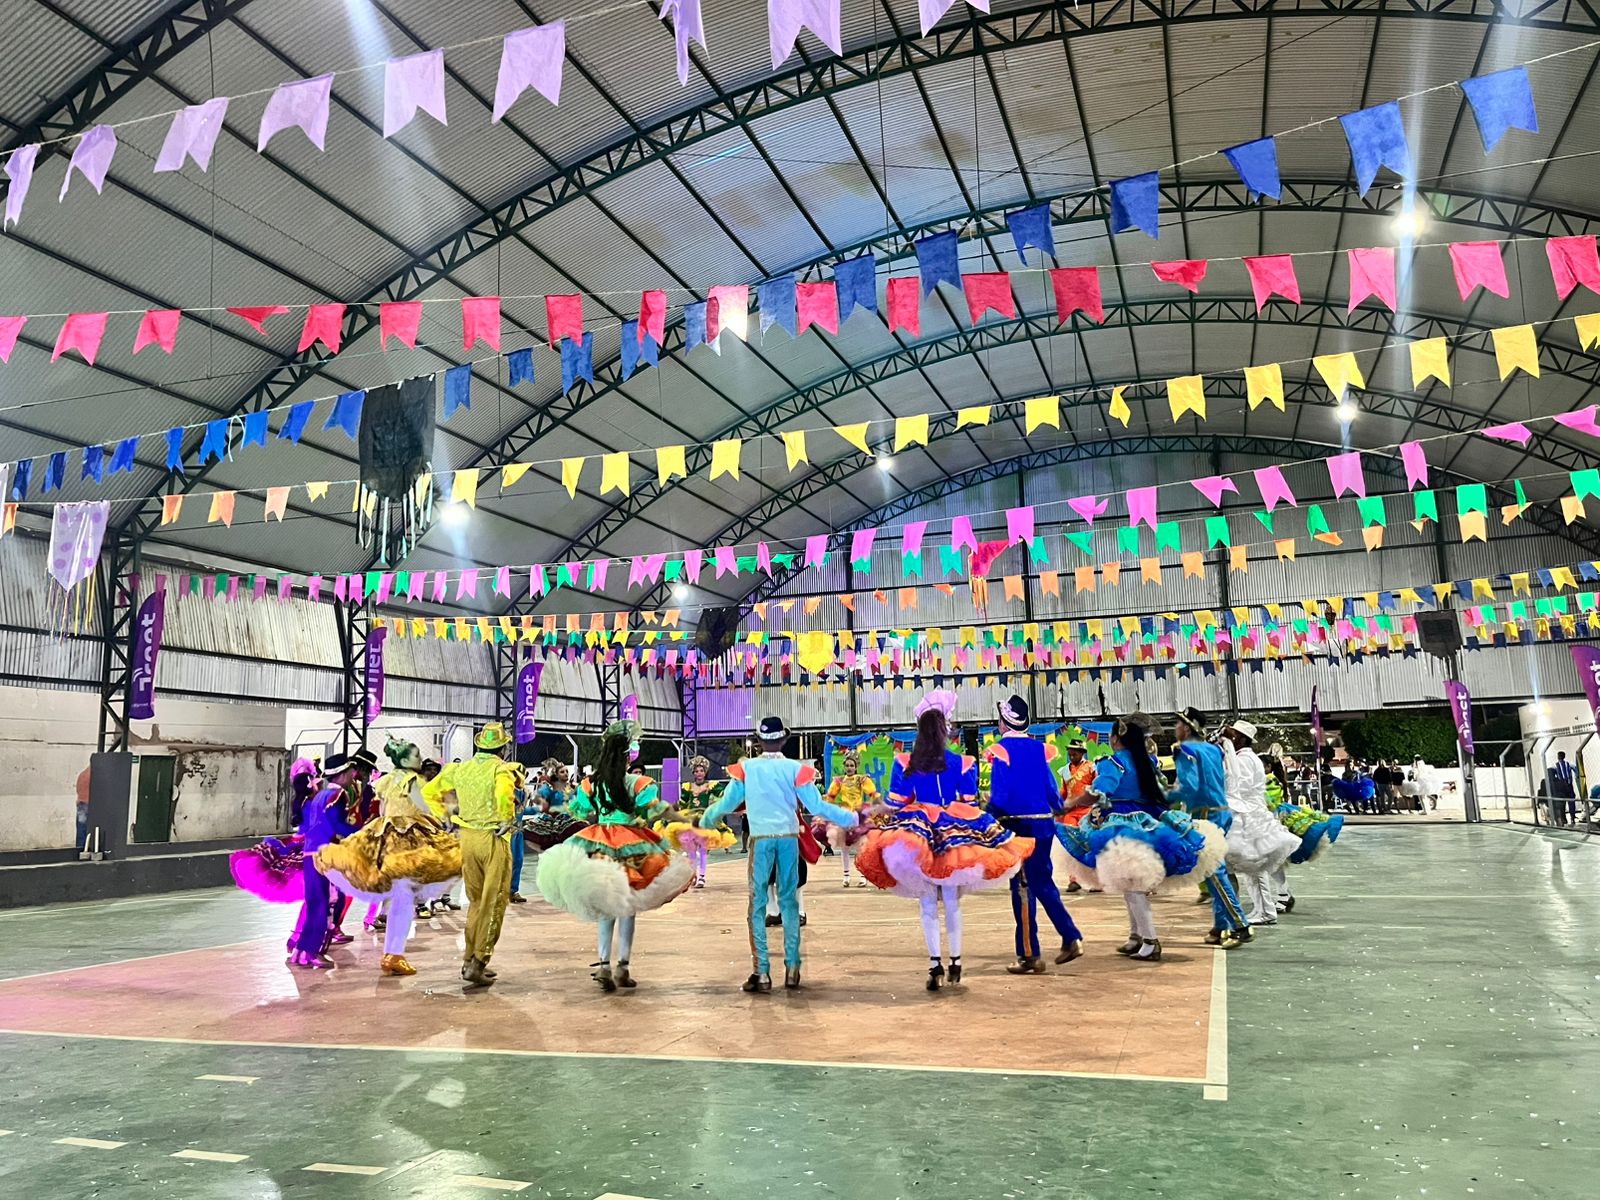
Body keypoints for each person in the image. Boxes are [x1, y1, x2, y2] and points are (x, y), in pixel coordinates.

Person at [855, 690, 1032, 991]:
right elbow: (969, 801)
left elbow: (895, 803)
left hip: (918, 834)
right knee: (951, 900)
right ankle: (956, 962)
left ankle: (935, 964)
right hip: (953, 831)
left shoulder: (906, 762)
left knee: (927, 901)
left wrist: (870, 812)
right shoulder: (963, 763)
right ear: (944, 730)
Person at [700, 717, 856, 993]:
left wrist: (705, 820)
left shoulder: (747, 769)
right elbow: (816, 805)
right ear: (784, 740)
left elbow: (727, 803)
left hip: (761, 841)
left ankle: (761, 973)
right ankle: (793, 967)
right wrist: (850, 818)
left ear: (759, 741)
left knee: (757, 905)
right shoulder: (795, 769)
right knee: (789, 902)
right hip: (788, 840)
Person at [536, 719, 693, 992]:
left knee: (605, 904)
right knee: (628, 906)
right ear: (626, 756)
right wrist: (682, 818)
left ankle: (603, 965)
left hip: (599, 840)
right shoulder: (636, 782)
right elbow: (654, 810)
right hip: (632, 843)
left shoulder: (592, 784)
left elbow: (579, 810)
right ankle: (623, 967)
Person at [1055, 713, 1225, 963]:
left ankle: (1150, 941)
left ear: (1116, 738)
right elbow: (1162, 792)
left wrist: (1070, 803)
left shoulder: (1113, 762)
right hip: (1151, 822)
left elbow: (1099, 792)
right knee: (1130, 883)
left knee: (1133, 886)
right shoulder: (1148, 761)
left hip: (1122, 825)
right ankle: (1136, 936)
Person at [315, 739, 461, 977]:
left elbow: (382, 810)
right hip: (408, 840)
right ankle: (393, 954)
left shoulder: (386, 781)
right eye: (416, 756)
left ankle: (392, 953)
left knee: (399, 896)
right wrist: (445, 819)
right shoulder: (412, 780)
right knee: (404, 898)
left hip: (385, 835)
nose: (419, 759)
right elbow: (425, 807)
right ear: (404, 760)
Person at [985, 695, 1083, 975]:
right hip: (1044, 825)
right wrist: (1056, 807)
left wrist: (987, 814)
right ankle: (1070, 936)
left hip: (1019, 828)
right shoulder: (1040, 749)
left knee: (1023, 888)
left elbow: (1000, 797)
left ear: (1004, 722)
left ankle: (1030, 955)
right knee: (1042, 882)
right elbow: (1053, 793)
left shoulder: (1000, 751)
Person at [424, 722, 519, 987]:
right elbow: (504, 796)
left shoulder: (459, 769)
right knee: (494, 901)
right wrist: (506, 818)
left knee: (476, 901)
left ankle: (468, 959)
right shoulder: (500, 769)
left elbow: (429, 792)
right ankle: (479, 962)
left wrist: (445, 816)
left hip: (467, 839)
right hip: (492, 838)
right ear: (503, 748)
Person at [1168, 707, 1252, 950]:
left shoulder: (1184, 750)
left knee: (1215, 872)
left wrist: (1162, 796)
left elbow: (1189, 787)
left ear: (1187, 728)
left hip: (1205, 814)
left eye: (1178, 724)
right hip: (1221, 812)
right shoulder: (1214, 749)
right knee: (1211, 871)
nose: (1175, 728)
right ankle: (1219, 926)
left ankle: (1241, 925)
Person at [1220, 720, 1303, 926]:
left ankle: (1265, 911)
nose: (1230, 739)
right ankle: (1262, 909)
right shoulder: (1249, 758)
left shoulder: (1244, 759)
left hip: (1249, 816)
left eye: (1233, 736)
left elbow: (1240, 787)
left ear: (1242, 739)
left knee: (1254, 867)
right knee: (1252, 868)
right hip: (1251, 814)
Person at [288, 753, 362, 969]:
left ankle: (302, 951)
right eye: (350, 772)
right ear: (342, 774)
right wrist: (362, 831)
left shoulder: (320, 795)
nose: (353, 775)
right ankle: (311, 952)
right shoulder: (337, 795)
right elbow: (337, 824)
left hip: (310, 853)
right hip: (324, 854)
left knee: (315, 903)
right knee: (323, 904)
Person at [1264, 748, 1344, 911]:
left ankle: (1282, 896)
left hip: (1272, 823)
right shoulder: (1266, 780)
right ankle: (1282, 895)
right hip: (1268, 822)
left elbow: (1267, 802)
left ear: (1268, 767)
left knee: (1271, 862)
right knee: (1270, 863)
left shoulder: (1269, 781)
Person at [660, 755, 735, 888]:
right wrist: (672, 812)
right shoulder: (688, 786)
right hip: (690, 820)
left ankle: (702, 877)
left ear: (705, 772)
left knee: (703, 849)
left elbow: (723, 796)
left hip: (704, 820)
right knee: (692, 851)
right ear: (693, 773)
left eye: (701, 771)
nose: (699, 773)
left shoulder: (711, 785)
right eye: (696, 771)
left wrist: (718, 806)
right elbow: (683, 803)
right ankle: (693, 875)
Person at [816, 747, 878, 886]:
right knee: (844, 846)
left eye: (852, 765)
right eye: (847, 765)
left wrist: (874, 807)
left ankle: (863, 876)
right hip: (844, 816)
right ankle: (846, 876)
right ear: (844, 766)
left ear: (856, 767)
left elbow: (872, 793)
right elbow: (831, 797)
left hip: (857, 816)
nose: (849, 768)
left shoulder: (861, 779)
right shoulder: (839, 781)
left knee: (861, 847)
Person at [1057, 738, 1097, 894]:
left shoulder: (1091, 767)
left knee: (1089, 845)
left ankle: (1096, 881)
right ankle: (1073, 880)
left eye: (1075, 753)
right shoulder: (1064, 771)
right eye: (1070, 753)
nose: (1072, 755)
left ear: (1082, 753)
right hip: (1071, 813)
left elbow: (1097, 788)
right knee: (1070, 845)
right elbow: (1064, 792)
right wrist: (1057, 805)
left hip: (1088, 811)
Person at [1551, 751, 1578, 826]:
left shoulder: (1555, 766)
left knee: (1562, 802)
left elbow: (1553, 775)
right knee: (1571, 801)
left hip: (1561, 786)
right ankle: (1572, 817)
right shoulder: (1569, 764)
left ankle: (1564, 819)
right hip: (1569, 784)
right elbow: (1576, 770)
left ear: (1558, 757)